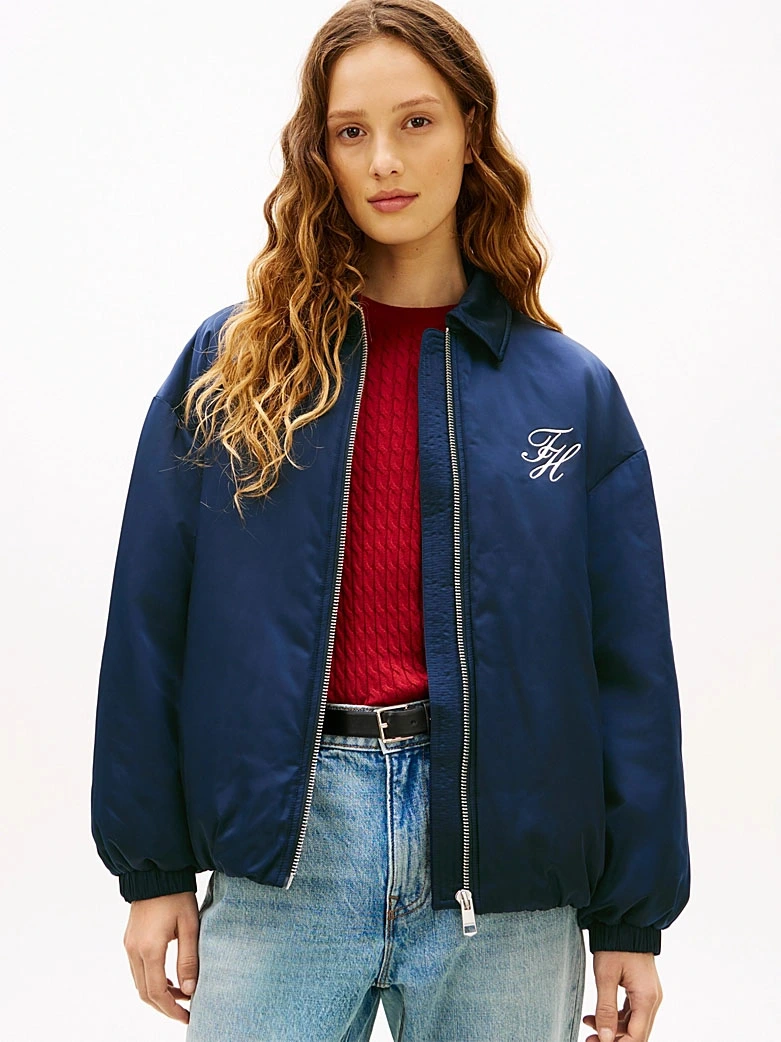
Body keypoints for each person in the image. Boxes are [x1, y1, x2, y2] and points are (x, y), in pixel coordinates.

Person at [90, 2, 691, 1040]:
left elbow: (629, 669)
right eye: (349, 131)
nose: (383, 161)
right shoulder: (232, 369)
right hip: (287, 857)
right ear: (318, 153)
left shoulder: (568, 391)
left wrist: (629, 919)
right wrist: (152, 872)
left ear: (469, 128)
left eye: (415, 122)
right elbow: (149, 625)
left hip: (505, 875)